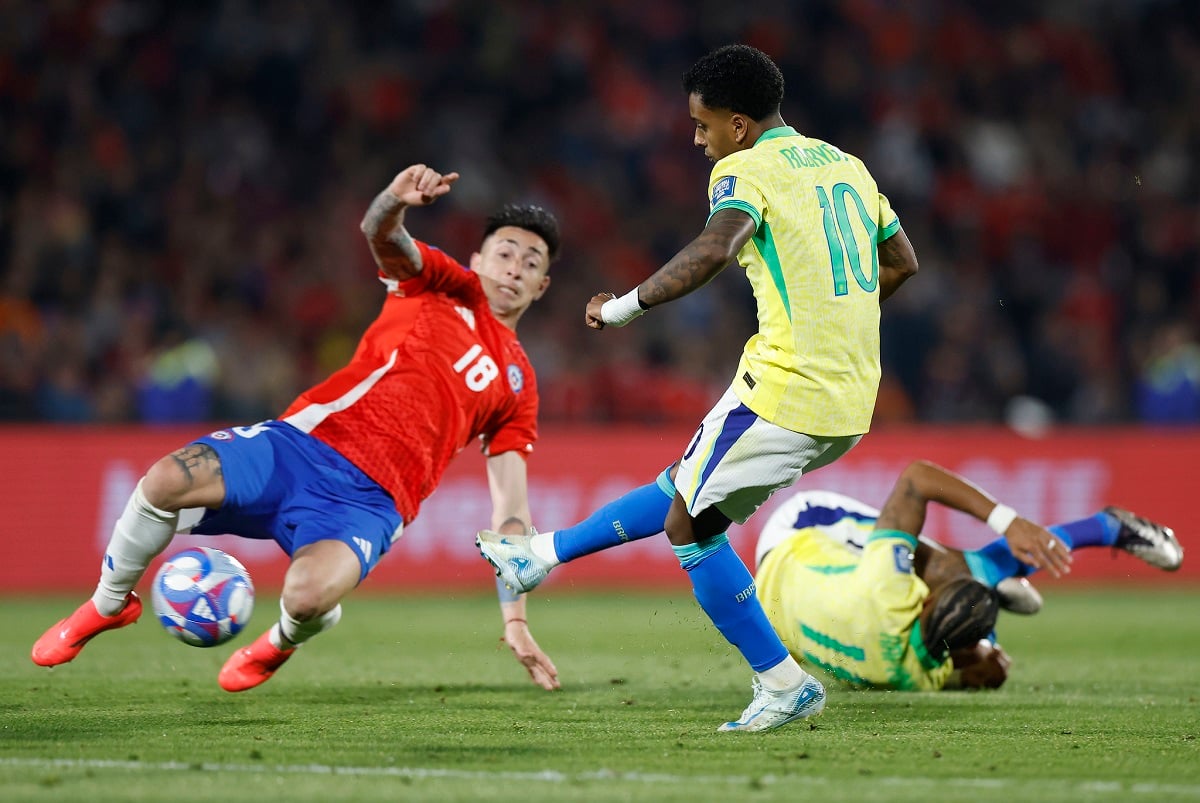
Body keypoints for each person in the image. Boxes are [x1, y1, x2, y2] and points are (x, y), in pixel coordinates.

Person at [482, 43, 925, 732]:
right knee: (687, 480)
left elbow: (717, 247)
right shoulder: (847, 164)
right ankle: (540, 554)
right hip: (847, 391)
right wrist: (839, 316)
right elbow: (901, 259)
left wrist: (620, 307)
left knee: (688, 524)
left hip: (787, 385)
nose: (698, 138)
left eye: (704, 124)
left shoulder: (744, 168)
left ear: (739, 125)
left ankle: (782, 682)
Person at [32, 164, 563, 693]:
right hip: (301, 446)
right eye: (506, 252)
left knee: (308, 596)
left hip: (373, 504)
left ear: (542, 285)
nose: (514, 268)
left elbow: (512, 513)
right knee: (165, 480)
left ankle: (282, 639)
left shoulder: (520, 387)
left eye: (530, 262)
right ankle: (107, 604)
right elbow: (381, 233)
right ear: (478, 259)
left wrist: (514, 621)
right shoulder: (444, 285)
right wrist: (393, 201)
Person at [752, 460, 1183, 691]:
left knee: (951, 568)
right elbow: (970, 669)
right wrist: (986, 660)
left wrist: (1007, 522)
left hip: (798, 535)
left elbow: (917, 478)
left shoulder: (888, 589)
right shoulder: (911, 679)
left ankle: (1100, 530)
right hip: (772, 612)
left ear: (923, 599)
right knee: (955, 577)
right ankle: (1003, 571)